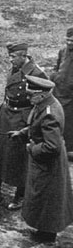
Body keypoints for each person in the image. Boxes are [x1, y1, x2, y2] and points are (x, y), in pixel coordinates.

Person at [8, 75, 73, 248]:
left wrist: (31, 148)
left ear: (42, 94)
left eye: (30, 95)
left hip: (49, 164)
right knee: (41, 198)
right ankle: (43, 231)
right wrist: (21, 133)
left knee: (49, 200)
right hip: (43, 163)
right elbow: (36, 126)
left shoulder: (50, 113)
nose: (28, 98)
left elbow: (51, 146)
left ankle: (49, 240)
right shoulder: (43, 105)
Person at [0, 43, 48, 210]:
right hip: (7, 113)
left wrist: (32, 121)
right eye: (9, 56)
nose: (10, 60)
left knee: (20, 156)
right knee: (0, 152)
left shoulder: (37, 73)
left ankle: (19, 195)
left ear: (23, 55)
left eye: (13, 57)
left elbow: (43, 97)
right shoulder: (16, 68)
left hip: (23, 117)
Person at [50, 27, 73, 155]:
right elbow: (57, 67)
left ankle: (69, 149)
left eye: (72, 41)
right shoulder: (62, 51)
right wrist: (54, 77)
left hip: (71, 96)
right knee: (58, 119)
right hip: (59, 92)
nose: (69, 43)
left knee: (70, 122)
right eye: (68, 40)